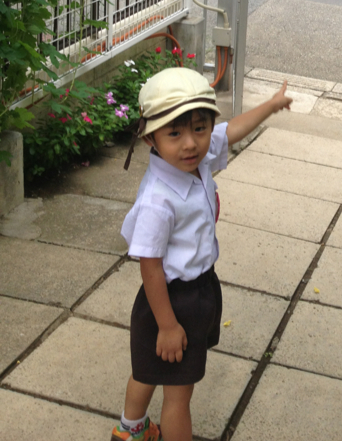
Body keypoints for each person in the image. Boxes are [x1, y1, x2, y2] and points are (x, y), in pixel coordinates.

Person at [111, 67, 292, 441]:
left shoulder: (197, 157)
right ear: (149, 137)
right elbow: (150, 268)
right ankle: (135, 430)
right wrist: (167, 325)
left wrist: (271, 105)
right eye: (174, 133)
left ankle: (130, 431)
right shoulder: (158, 200)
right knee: (179, 394)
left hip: (196, 290)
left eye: (199, 128)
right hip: (172, 301)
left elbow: (232, 130)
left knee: (147, 368)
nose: (191, 143)